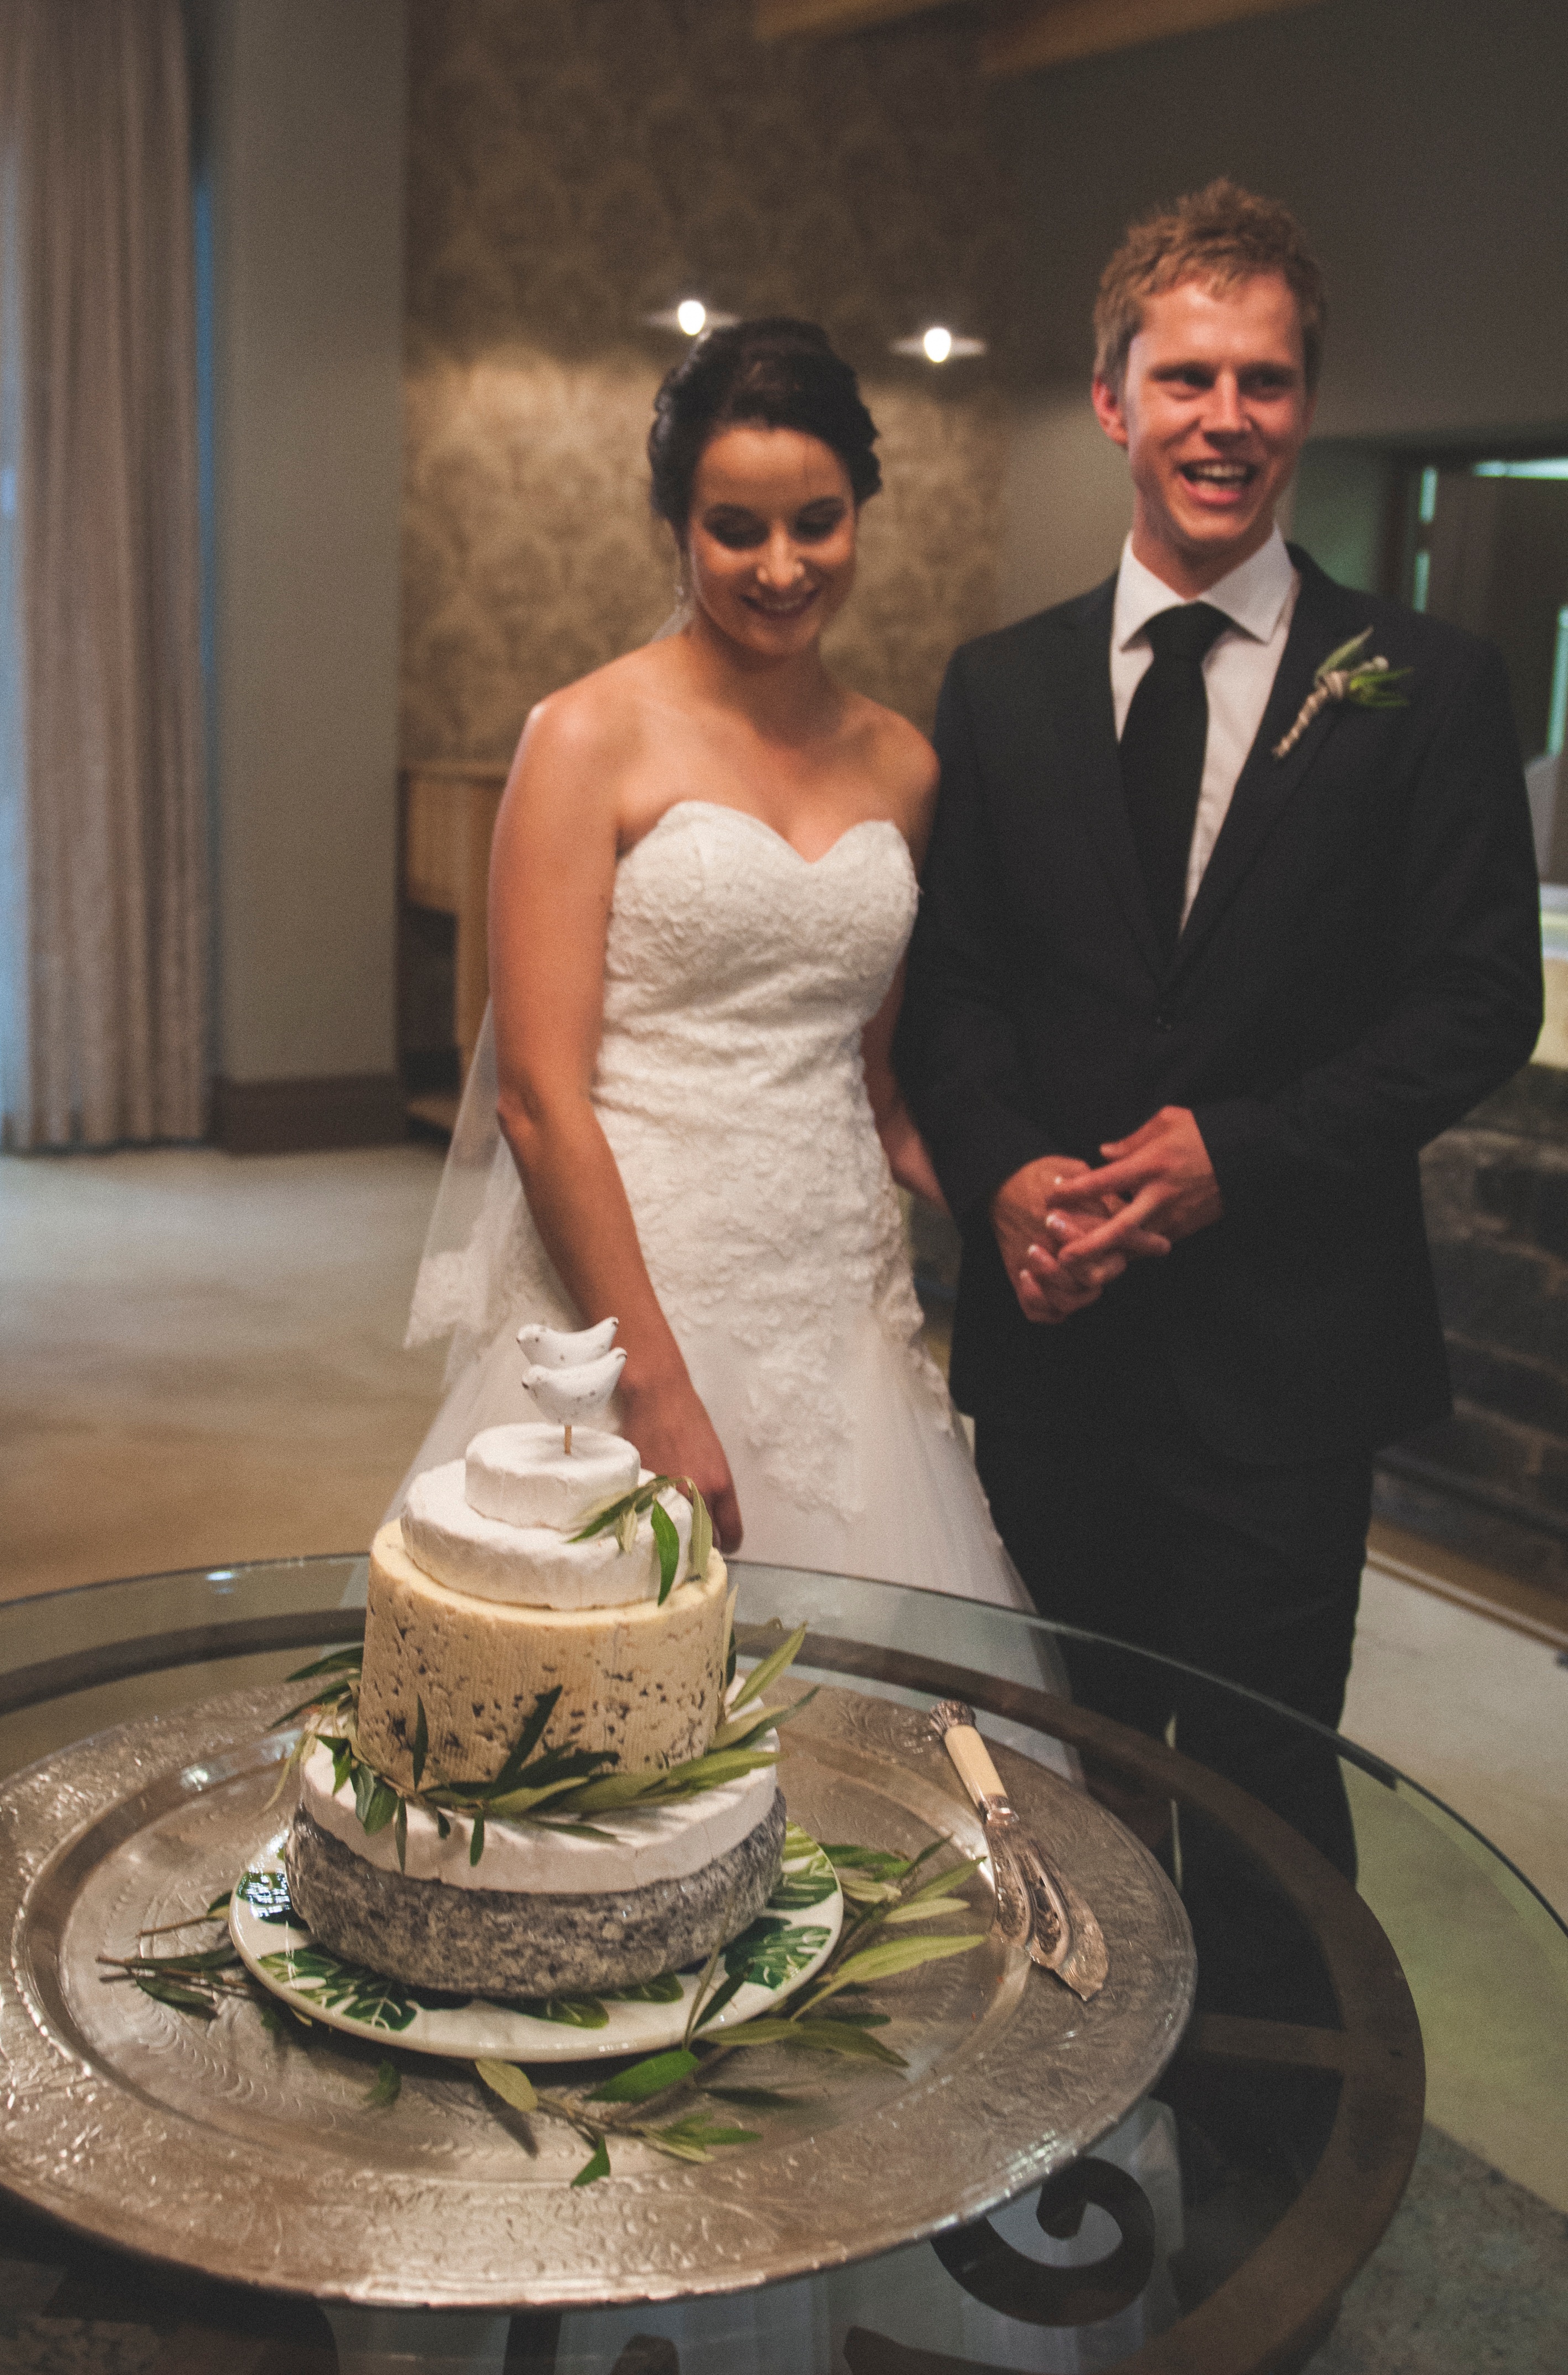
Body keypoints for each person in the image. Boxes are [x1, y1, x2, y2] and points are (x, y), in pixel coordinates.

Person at [894, 182, 1543, 1965]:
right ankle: (1077, 2108)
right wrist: (1012, 1172)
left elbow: (1477, 999)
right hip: (1058, 1345)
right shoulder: (1002, 685)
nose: (1225, 420)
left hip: (1290, 1356)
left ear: (1306, 406)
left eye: (1263, 382)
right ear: (1112, 400)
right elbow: (952, 991)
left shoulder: (1425, 679)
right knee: (1067, 1760)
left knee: (1263, 1782)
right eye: (1185, 379)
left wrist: (1236, 1155)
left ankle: (1263, 2150)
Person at [397, 317, 1032, 1611]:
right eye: (735, 528)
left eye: (818, 520)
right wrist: (654, 1380)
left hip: (837, 1288)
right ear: (675, 524)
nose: (782, 565)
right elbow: (535, 1095)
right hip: (635, 1284)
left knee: (858, 1702)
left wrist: (1008, 1184)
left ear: (861, 510)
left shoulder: (903, 765)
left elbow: (872, 1079)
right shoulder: (584, 737)